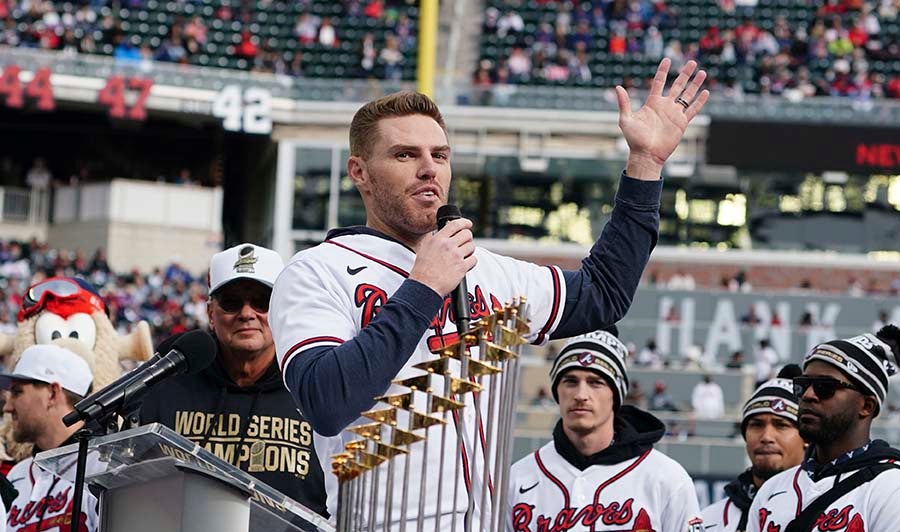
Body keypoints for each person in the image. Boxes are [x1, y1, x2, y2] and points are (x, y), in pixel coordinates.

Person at [270, 57, 709, 527]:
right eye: (405, 155)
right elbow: (327, 401)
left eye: (439, 155)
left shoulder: (486, 271)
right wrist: (423, 287)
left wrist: (644, 166)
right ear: (359, 171)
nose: (428, 169)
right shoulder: (318, 270)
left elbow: (603, 294)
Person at [140, 243, 327, 517]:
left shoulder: (312, 385)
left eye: (261, 301)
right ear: (210, 314)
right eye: (231, 302)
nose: (247, 313)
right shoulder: (168, 383)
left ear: (282, 309)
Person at [506, 329, 703, 531]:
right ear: (557, 391)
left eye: (595, 382)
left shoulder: (666, 479)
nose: (581, 394)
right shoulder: (519, 477)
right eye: (571, 381)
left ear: (615, 396)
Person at [748, 328, 900, 532]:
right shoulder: (772, 489)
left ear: (867, 406)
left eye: (825, 387)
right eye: (803, 385)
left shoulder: (891, 488)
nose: (809, 395)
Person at [1, 344, 99, 532]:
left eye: (17, 392)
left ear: (52, 394)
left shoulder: (104, 469)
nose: (7, 407)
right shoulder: (15, 476)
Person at [700, 365, 806, 531]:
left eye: (781, 425)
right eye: (757, 425)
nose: (766, 437)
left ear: (806, 437)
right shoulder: (709, 521)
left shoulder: (830, 514)